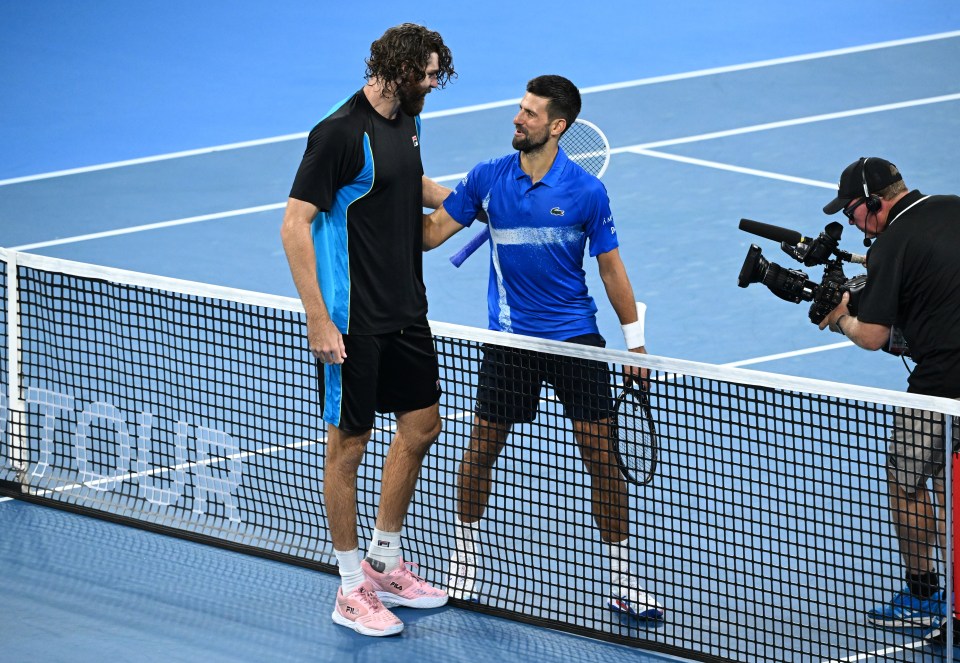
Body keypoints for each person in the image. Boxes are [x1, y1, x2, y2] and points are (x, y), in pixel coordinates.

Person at [422, 74, 664, 620]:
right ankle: (465, 559)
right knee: (480, 451)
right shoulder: (488, 178)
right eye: (519, 108)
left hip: (576, 338)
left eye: (530, 113)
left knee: (601, 457)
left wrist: (635, 345)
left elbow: (611, 267)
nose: (518, 118)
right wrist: (378, 213)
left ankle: (622, 579)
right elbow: (433, 232)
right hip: (510, 339)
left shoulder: (586, 192)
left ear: (557, 126)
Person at [280, 23, 457, 637]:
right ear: (398, 68)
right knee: (348, 445)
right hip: (352, 321)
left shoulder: (410, 118)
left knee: (421, 425)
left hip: (407, 309)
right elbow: (294, 225)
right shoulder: (338, 133)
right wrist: (318, 318)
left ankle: (384, 558)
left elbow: (413, 187)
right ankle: (351, 585)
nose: (435, 84)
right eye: (429, 74)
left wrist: (476, 196)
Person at [818, 157, 960, 630]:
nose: (850, 221)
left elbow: (874, 335)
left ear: (874, 203)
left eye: (851, 211)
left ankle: (925, 595)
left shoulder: (891, 242)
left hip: (942, 381)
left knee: (909, 479)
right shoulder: (951, 207)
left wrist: (839, 317)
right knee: (954, 483)